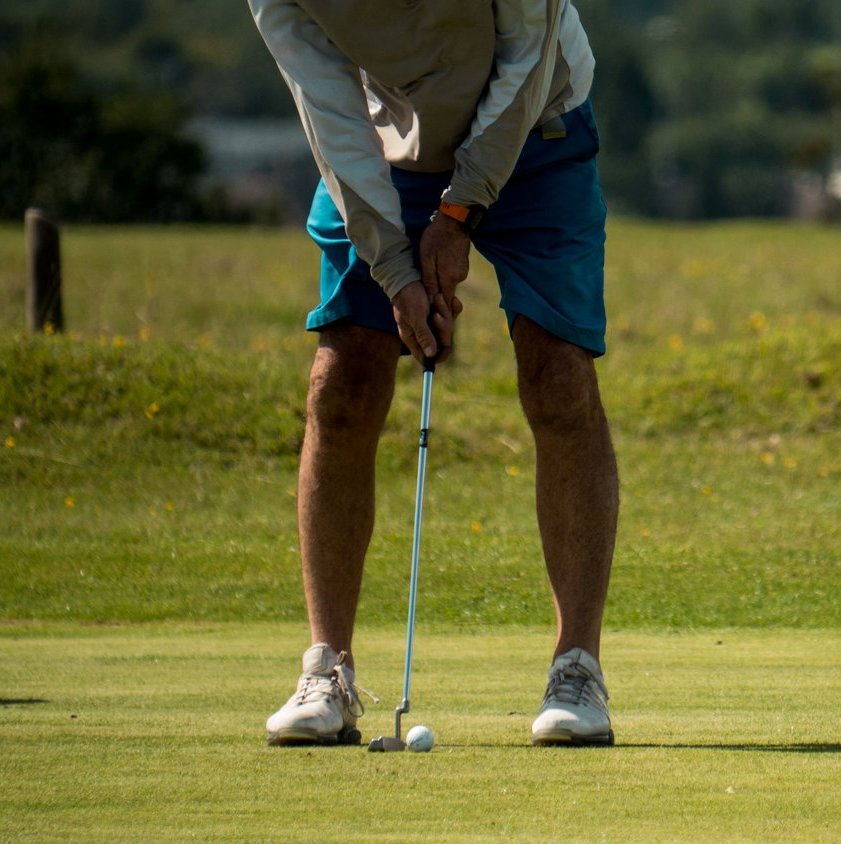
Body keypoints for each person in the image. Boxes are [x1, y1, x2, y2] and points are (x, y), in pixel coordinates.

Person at [249, 0, 618, 747]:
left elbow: (525, 55)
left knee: (558, 374)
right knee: (342, 379)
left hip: (536, 118)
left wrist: (457, 215)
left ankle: (577, 668)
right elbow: (327, 105)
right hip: (389, 144)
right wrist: (394, 267)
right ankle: (328, 671)